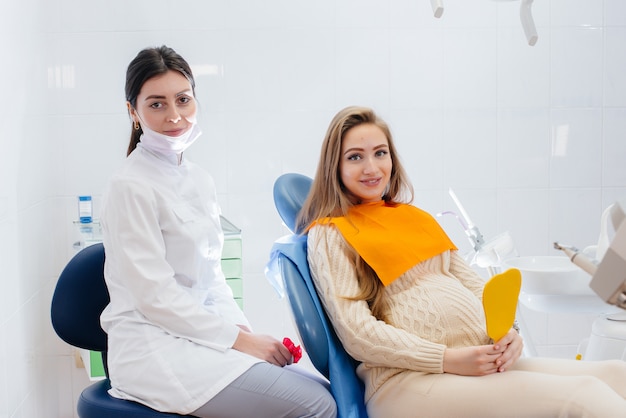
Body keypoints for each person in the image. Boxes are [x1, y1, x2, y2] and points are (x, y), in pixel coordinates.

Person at [296, 105, 626, 417]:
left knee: (616, 374)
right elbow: (359, 334)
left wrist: (509, 335)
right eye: (355, 157)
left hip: (475, 363)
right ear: (335, 168)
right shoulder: (331, 233)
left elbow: (477, 287)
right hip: (407, 382)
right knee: (583, 396)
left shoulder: (414, 218)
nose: (372, 168)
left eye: (380, 153)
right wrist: (447, 359)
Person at [100, 45, 336, 418]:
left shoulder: (199, 180)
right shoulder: (129, 186)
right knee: (317, 406)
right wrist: (240, 342)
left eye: (183, 100)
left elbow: (212, 279)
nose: (175, 116)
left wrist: (246, 336)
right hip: (154, 349)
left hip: (200, 340)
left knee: (324, 390)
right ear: (133, 112)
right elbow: (155, 299)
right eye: (156, 104)